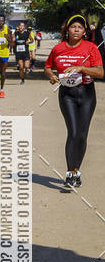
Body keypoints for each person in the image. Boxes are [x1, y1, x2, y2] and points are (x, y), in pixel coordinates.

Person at [44, 14, 103, 188]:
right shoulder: (58, 48)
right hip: (67, 94)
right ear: (67, 30)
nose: (76, 30)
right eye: (73, 27)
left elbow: (100, 72)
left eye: (80, 27)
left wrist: (82, 68)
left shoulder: (91, 48)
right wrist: (52, 76)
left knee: (82, 134)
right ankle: (70, 173)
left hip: (86, 94)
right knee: (73, 132)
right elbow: (48, 67)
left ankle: (77, 170)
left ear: (84, 31)